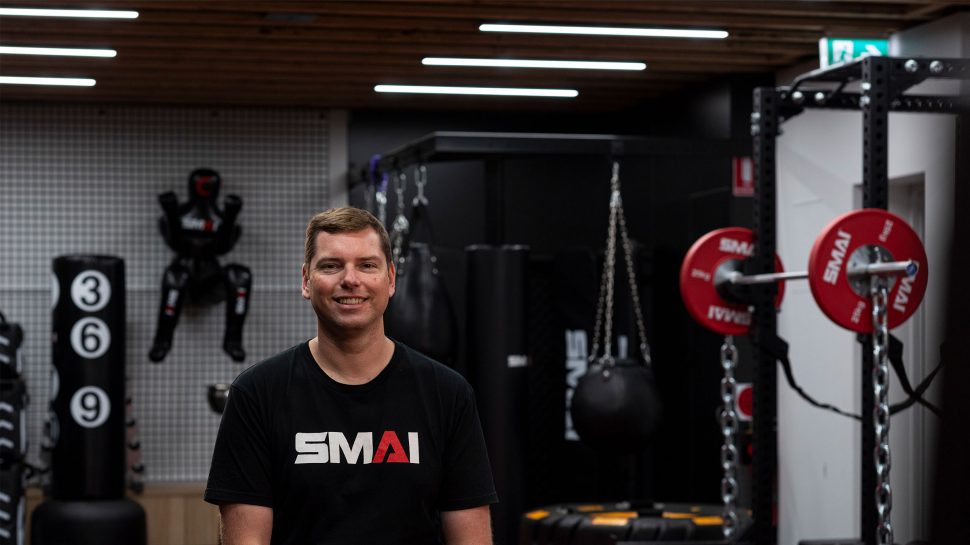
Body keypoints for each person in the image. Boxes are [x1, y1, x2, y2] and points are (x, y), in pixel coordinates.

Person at [204, 207, 497, 544]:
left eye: (366, 265)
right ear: (305, 281)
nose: (350, 279)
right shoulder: (257, 394)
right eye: (331, 265)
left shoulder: (447, 393)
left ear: (390, 279)